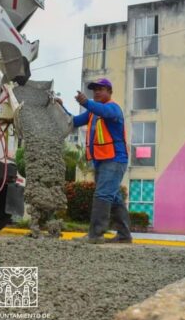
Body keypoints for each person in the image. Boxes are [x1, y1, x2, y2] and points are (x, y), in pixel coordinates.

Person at [57, 78, 132, 244]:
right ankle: (124, 235)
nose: (96, 92)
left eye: (101, 89)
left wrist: (86, 102)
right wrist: (60, 107)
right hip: (102, 160)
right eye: (94, 89)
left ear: (109, 92)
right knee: (113, 197)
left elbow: (104, 112)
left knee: (103, 194)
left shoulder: (113, 108)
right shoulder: (92, 112)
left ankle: (95, 234)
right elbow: (74, 121)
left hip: (114, 159)